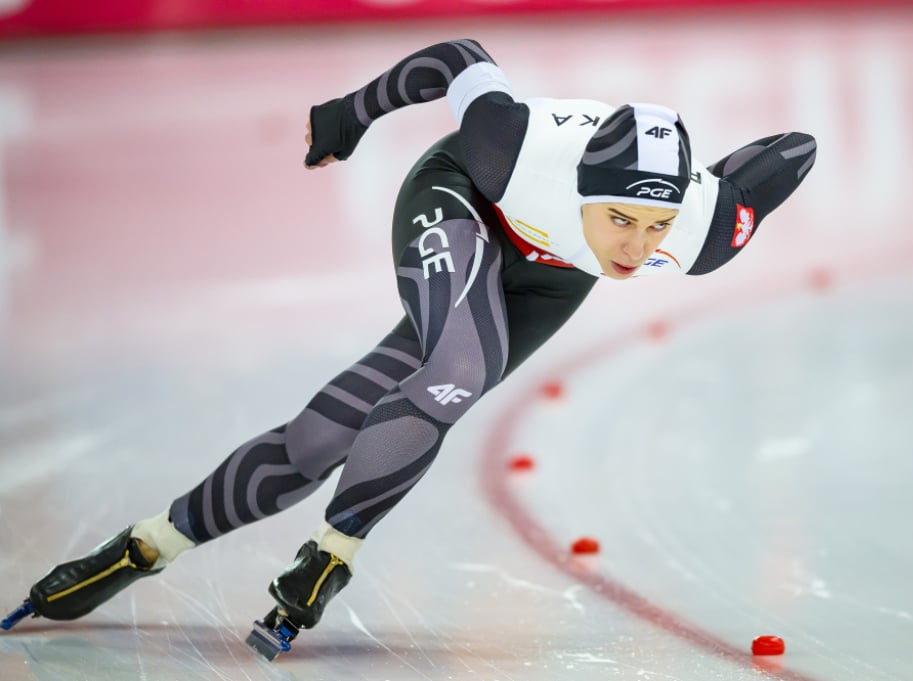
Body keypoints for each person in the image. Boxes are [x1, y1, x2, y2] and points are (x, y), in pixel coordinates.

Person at [3, 39, 816, 652]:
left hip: (549, 278)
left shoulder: (701, 230)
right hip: (459, 197)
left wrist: (720, 191)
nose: (637, 248)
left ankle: (143, 545)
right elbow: (459, 58)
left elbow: (792, 152)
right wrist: (349, 114)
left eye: (655, 228)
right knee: (458, 369)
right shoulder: (516, 143)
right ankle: (330, 557)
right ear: (579, 191)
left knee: (316, 442)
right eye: (620, 221)